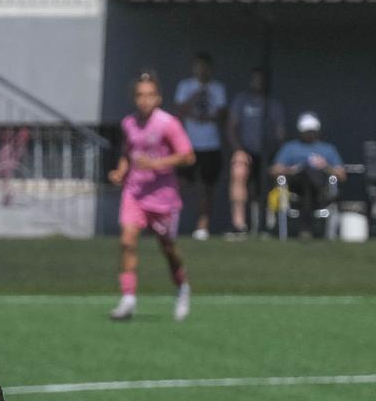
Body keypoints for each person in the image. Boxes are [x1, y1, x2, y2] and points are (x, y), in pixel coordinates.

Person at [108, 71, 194, 323]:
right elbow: (128, 152)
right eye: (140, 95)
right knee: (127, 241)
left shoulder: (168, 123)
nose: (144, 100)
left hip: (162, 197)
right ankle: (128, 298)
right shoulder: (128, 123)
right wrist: (121, 171)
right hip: (134, 193)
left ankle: (182, 287)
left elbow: (188, 156)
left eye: (149, 95)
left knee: (168, 248)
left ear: (158, 98)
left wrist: (156, 163)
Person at [172, 52, 227, 240]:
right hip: (188, 143)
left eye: (205, 66)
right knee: (180, 183)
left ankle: (202, 226)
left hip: (210, 143)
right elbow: (180, 110)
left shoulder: (218, 88)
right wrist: (197, 94)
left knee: (206, 186)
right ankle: (170, 222)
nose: (202, 70)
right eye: (198, 66)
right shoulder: (185, 86)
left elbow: (221, 113)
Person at [225, 67, 283, 239]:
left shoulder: (273, 105)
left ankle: (266, 225)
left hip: (266, 154)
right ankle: (239, 224)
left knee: (267, 183)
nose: (259, 83)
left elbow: (280, 133)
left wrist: (272, 152)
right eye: (256, 79)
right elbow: (231, 128)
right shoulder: (242, 101)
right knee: (238, 171)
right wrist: (239, 149)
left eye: (262, 80)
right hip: (244, 151)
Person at [270, 113, 347, 239]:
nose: (310, 134)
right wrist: (291, 170)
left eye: (312, 131)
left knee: (310, 177)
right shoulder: (290, 148)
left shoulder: (327, 149)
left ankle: (305, 228)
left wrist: (325, 166)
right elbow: (274, 170)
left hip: (320, 185)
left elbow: (342, 175)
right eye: (307, 131)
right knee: (305, 175)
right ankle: (306, 228)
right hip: (296, 185)